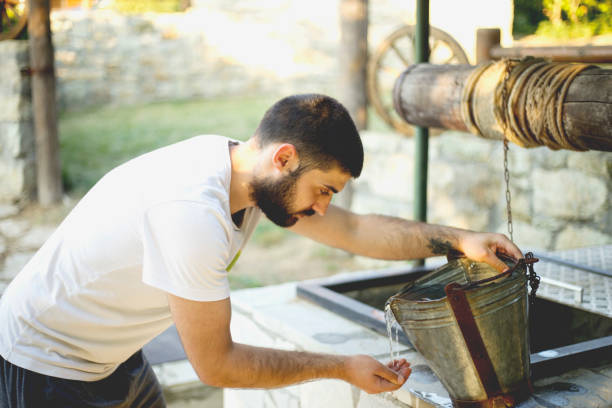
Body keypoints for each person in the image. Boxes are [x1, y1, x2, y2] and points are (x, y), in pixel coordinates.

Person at [0, 94, 522, 407]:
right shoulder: (191, 212)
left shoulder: (249, 177)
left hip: (112, 356)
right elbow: (217, 365)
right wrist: (340, 367)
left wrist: (458, 240)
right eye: (324, 190)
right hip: (46, 364)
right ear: (286, 157)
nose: (323, 209)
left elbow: (357, 230)